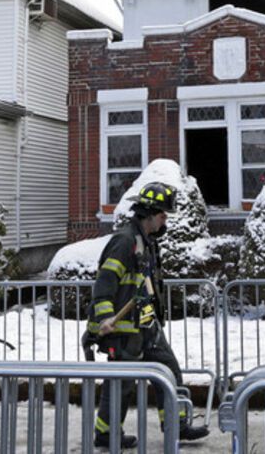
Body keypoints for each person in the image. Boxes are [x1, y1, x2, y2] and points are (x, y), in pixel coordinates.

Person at [86, 182, 209, 448]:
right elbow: (105, 283)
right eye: (163, 215)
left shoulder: (147, 242)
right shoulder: (125, 241)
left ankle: (177, 426)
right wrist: (106, 319)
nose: (166, 220)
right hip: (123, 329)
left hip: (145, 325)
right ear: (149, 213)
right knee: (121, 383)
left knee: (168, 369)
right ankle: (105, 433)